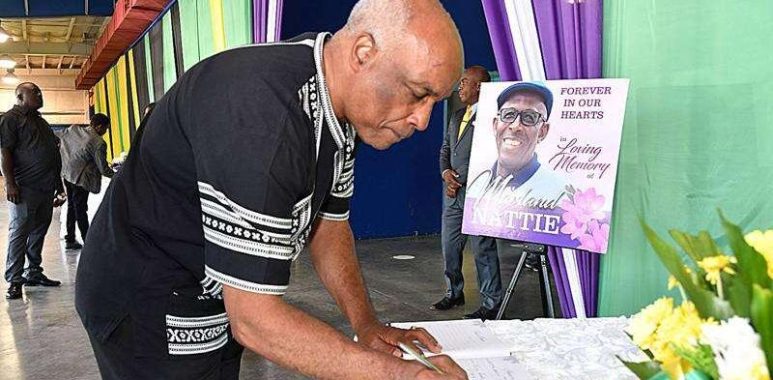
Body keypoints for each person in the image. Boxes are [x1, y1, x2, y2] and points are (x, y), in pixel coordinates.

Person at [75, 1, 467, 379]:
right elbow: (254, 319)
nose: (422, 119)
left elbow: (329, 228)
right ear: (363, 52)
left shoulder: (336, 106)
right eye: (418, 93)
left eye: (435, 101)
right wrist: (400, 376)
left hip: (211, 294)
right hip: (148, 297)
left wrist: (366, 324)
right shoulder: (261, 116)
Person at [433, 66, 503, 320]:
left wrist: (462, 177)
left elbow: (493, 156)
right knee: (449, 248)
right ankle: (455, 292)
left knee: (483, 251)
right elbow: (445, 150)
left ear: (480, 88)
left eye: (465, 83)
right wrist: (446, 174)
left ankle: (491, 303)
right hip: (452, 196)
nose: (460, 87)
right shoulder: (456, 115)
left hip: (479, 196)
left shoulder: (494, 120)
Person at [1, 82, 65, 300]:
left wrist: (59, 186)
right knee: (19, 232)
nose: (40, 94)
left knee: (38, 231)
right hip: (24, 188)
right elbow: (5, 153)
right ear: (20, 96)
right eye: (34, 92)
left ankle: (33, 272)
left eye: (40, 91)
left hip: (45, 188)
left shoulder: (41, 122)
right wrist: (10, 183)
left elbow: (52, 156)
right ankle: (14, 280)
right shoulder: (11, 119)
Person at [57, 113, 114, 250]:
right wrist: (118, 175)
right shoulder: (98, 142)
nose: (105, 132)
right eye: (105, 129)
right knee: (81, 209)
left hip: (67, 174)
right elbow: (103, 169)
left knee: (72, 206)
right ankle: (88, 241)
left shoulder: (74, 130)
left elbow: (58, 135)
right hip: (81, 179)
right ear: (99, 126)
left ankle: (70, 239)